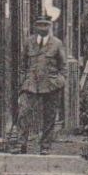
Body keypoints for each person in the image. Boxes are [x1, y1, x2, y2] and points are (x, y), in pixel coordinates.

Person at [17, 15, 67, 154]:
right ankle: (21, 144)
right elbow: (22, 64)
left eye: (45, 25)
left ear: (50, 26)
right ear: (35, 27)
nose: (42, 27)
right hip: (31, 84)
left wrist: (60, 80)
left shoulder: (56, 43)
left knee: (49, 116)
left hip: (51, 84)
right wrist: (23, 80)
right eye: (39, 24)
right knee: (24, 112)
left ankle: (45, 147)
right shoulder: (28, 42)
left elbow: (63, 66)